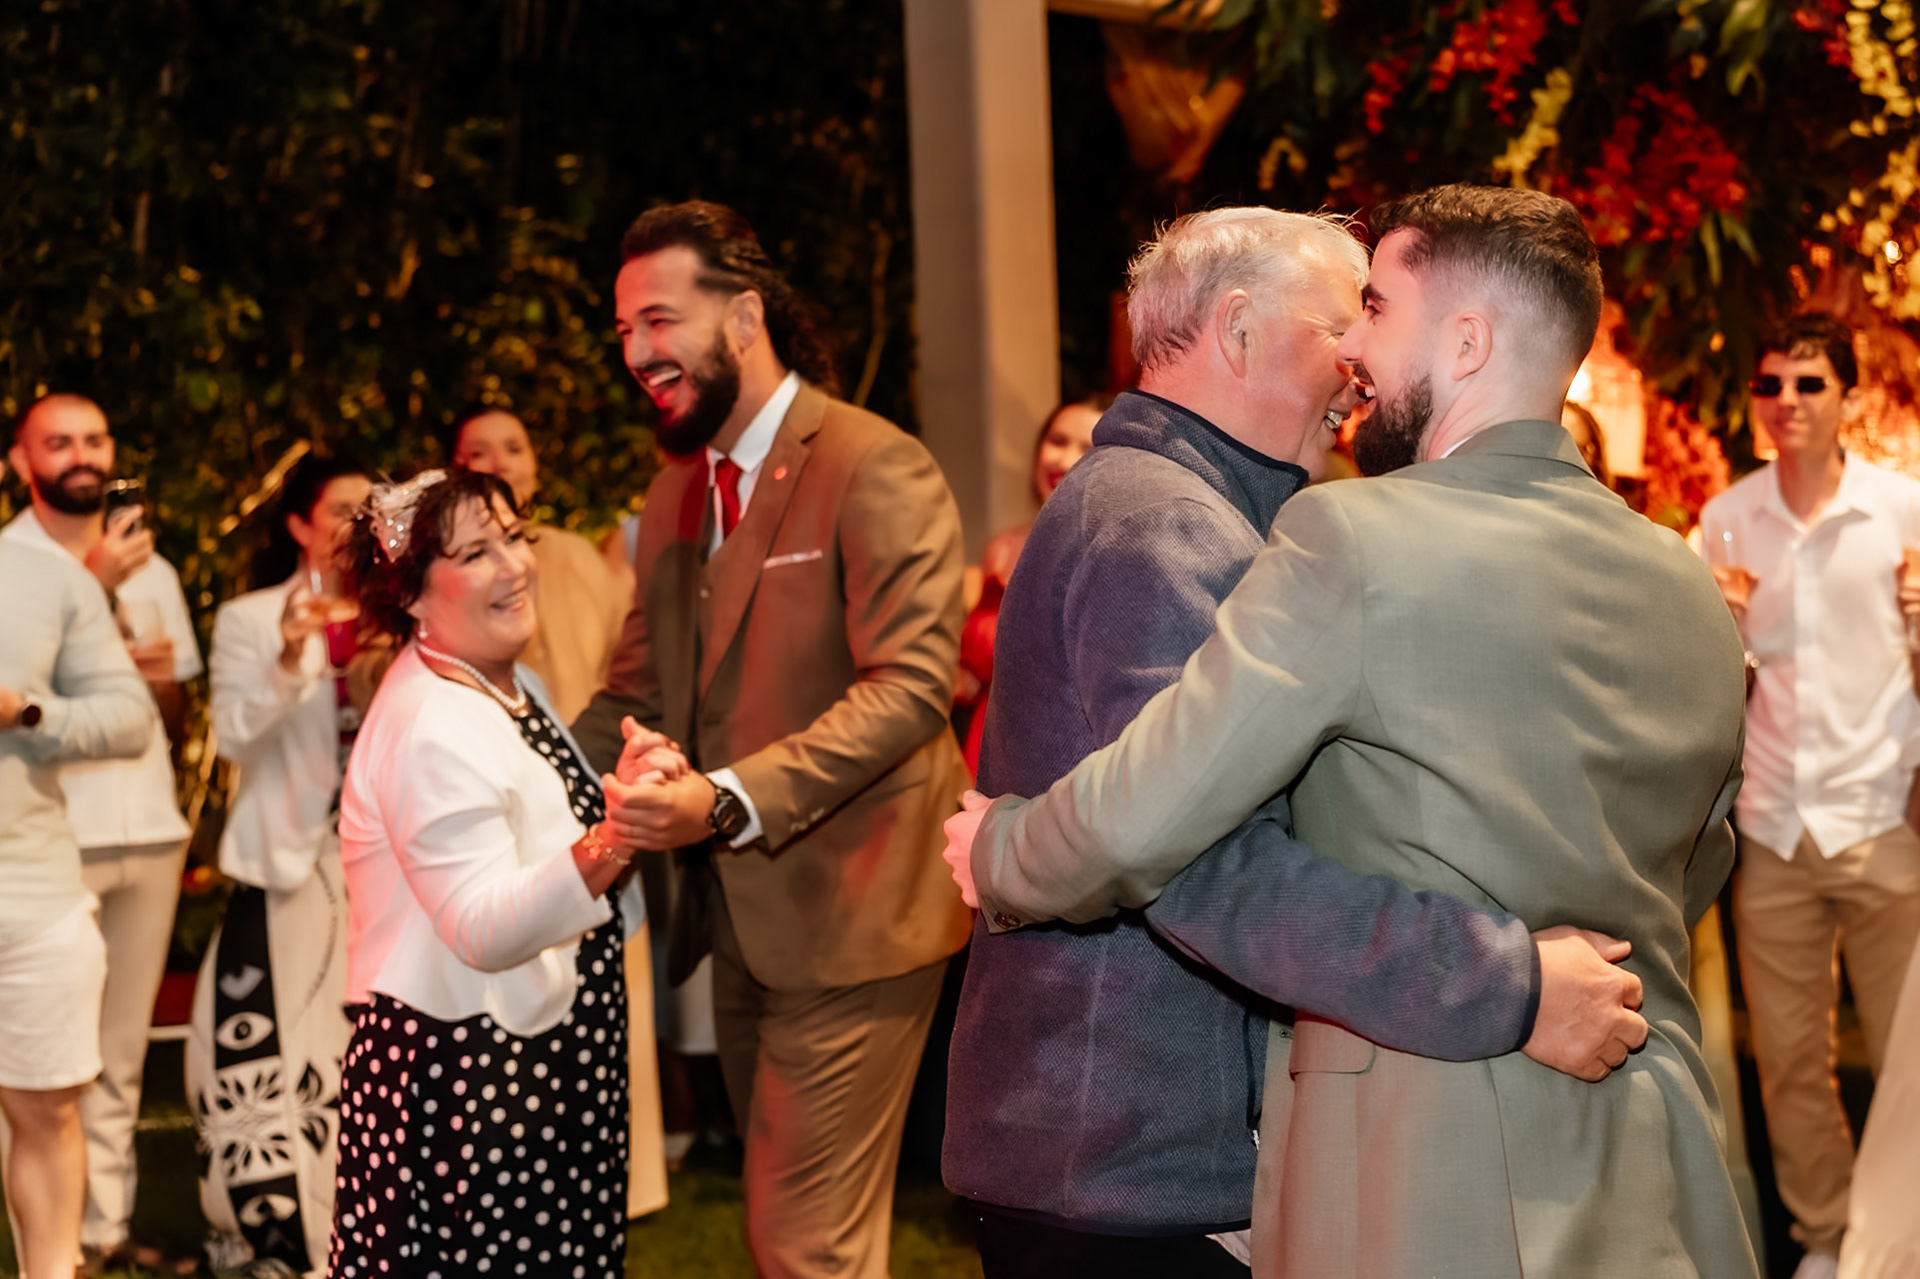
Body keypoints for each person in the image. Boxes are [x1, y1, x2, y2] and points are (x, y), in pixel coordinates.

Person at [946, 184, 1757, 1278]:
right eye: (1349, 315)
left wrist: (1005, 843)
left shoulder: (1328, 534)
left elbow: (1161, 835)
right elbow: (1698, 854)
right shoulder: (1683, 577)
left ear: (1466, 341)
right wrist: (1519, 966)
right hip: (1141, 1157)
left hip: (1403, 1153)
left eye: (1375, 313)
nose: (1354, 359)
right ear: (1237, 330)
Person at [571, 199, 971, 1279]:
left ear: (744, 315)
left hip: (859, 911)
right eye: (622, 332)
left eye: (659, 319)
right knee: (813, 1240)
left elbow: (910, 687)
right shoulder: (671, 497)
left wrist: (725, 797)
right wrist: (488, 752)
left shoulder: (872, 462)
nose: (638, 352)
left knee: (800, 1243)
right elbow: (631, 693)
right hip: (741, 923)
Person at [328, 467, 658, 1278]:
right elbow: (481, 926)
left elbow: (552, 853)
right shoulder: (430, 720)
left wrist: (628, 792)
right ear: (411, 592)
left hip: (538, 1063)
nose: (513, 564)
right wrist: (618, 835)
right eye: (476, 552)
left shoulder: (507, 684)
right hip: (465, 1086)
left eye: (514, 537)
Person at [1697, 312, 1920, 1279]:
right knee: (1789, 1058)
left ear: (1849, 401)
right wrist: (1719, 629)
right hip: (1777, 822)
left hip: (1881, 813)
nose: (1786, 402)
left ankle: (1897, 1241)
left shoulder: (1903, 511)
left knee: (1910, 1061)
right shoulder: (1726, 519)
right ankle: (1828, 1240)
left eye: (1809, 384)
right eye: (1772, 385)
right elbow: (1715, 691)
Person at [450, 403, 670, 1218]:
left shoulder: (583, 560)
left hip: (595, 807)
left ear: (536, 465)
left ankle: (621, 1180)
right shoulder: (443, 574)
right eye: (479, 451)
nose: (500, 460)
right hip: (496, 813)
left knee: (615, 986)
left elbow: (634, 672)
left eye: (514, 445)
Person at [3, 393, 203, 1273]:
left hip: (113, 843)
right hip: (61, 841)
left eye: (93, 439)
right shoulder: (30, 562)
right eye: (60, 442)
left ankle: (101, 1236)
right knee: (46, 1085)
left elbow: (157, 710)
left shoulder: (128, 569)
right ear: (21, 460)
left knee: (101, 1061)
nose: (81, 455)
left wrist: (38, 705)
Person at [188, 452, 373, 1275]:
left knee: (365, 1052)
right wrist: (293, 661)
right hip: (289, 866)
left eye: (371, 508)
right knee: (274, 1054)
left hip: (382, 867)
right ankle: (269, 1236)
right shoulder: (251, 619)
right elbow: (233, 737)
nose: (356, 524)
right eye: (340, 509)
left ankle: (370, 1222)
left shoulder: (410, 609)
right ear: (299, 523)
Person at [0, 452, 154, 1279]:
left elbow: (130, 719)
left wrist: (23, 710)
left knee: (48, 1111)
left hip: (33, 899)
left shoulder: (44, 577)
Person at [953, 397, 1101, 775]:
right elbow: (971, 676)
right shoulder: (1001, 548)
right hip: (988, 747)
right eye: (1057, 441)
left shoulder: (1108, 554)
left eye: (1086, 447)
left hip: (1063, 758)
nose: (1064, 459)